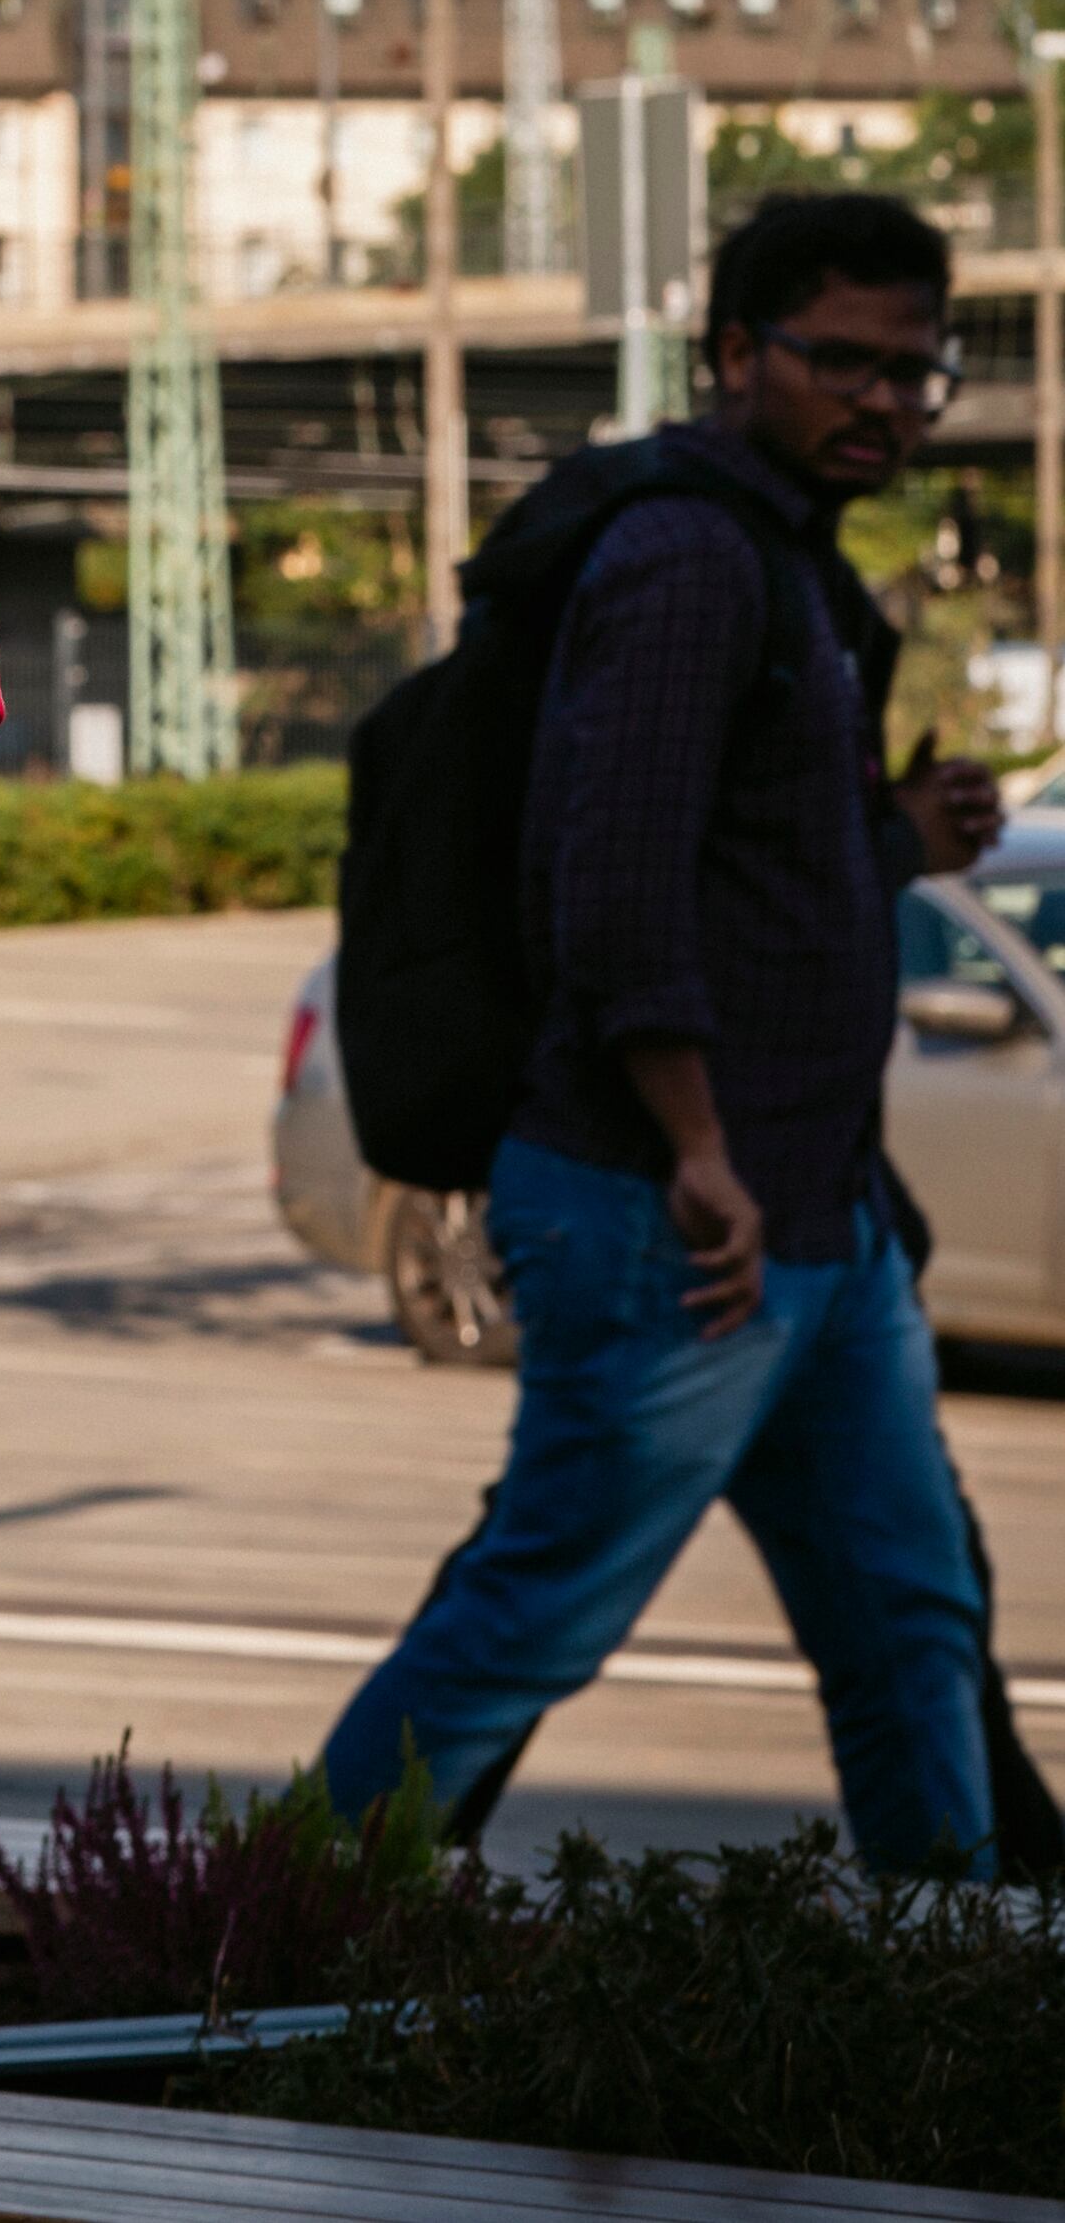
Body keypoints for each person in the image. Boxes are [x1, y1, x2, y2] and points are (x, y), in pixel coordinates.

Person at [321, 193, 1006, 1874]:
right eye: (839, 357)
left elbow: (743, 871)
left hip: (815, 1221)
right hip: (672, 1210)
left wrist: (901, 839)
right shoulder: (691, 553)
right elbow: (614, 883)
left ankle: (967, 2001)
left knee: (913, 1624)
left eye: (915, 371)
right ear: (729, 353)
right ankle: (257, 1948)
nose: (883, 401)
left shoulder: (786, 560)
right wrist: (697, 1144)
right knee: (532, 1616)